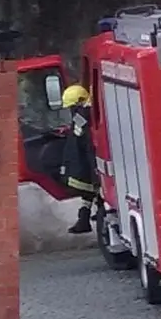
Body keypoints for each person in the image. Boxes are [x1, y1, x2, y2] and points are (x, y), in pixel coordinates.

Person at [59, 84, 99, 234]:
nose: (71, 111)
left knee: (93, 189)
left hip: (87, 164)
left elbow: (84, 139)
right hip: (85, 165)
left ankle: (87, 217)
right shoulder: (85, 115)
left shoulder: (83, 116)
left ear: (80, 101)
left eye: (72, 107)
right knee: (91, 190)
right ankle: (85, 218)